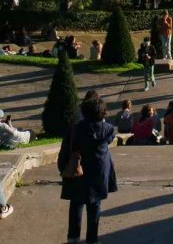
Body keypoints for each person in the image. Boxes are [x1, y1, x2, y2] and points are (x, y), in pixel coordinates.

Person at [58, 96, 117, 244]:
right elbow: (110, 139)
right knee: (94, 207)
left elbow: (64, 151)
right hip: (98, 175)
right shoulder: (108, 130)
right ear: (103, 113)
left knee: (76, 205)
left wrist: (63, 169)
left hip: (78, 172)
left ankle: (73, 238)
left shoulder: (74, 129)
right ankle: (92, 240)